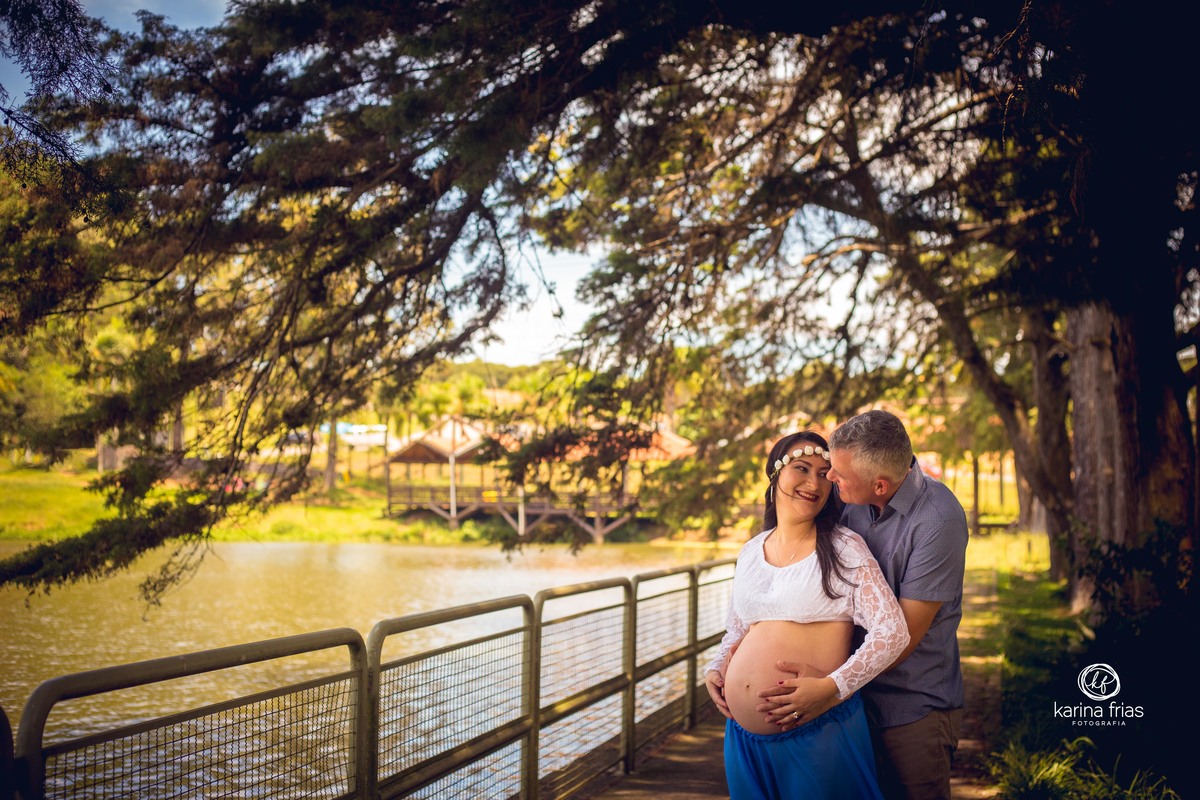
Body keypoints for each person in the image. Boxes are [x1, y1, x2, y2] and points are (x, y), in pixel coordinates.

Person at [703, 430, 910, 800]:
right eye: (801, 469)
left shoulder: (844, 548)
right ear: (775, 475)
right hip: (742, 739)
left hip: (817, 731)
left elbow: (892, 632)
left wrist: (832, 687)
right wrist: (717, 668)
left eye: (823, 474)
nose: (813, 483)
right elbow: (736, 630)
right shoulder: (750, 551)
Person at [819, 409, 969, 800]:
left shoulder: (938, 520)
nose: (829, 477)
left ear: (880, 485)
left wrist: (826, 689)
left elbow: (902, 638)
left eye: (839, 473)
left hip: (912, 709)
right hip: (851, 703)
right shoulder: (850, 495)